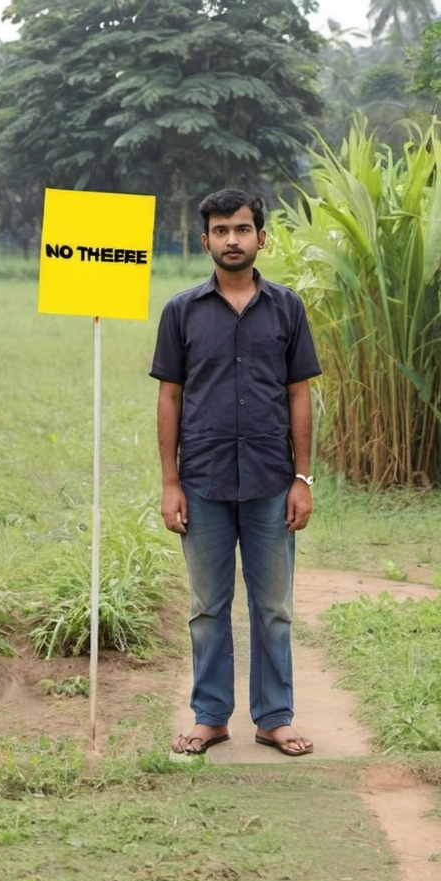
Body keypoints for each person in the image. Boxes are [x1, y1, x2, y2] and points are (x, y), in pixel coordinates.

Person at [150, 188, 321, 757]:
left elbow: (299, 396)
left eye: (242, 229)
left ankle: (274, 717)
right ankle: (210, 716)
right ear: (205, 241)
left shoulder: (287, 308)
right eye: (221, 231)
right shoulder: (181, 312)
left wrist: (303, 478)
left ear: (260, 238)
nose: (232, 240)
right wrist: (170, 482)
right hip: (203, 479)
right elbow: (169, 398)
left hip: (273, 480)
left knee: (273, 607)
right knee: (206, 607)